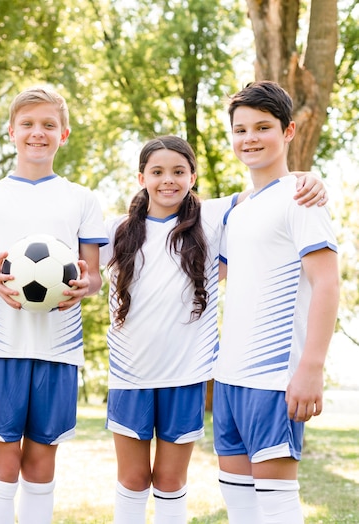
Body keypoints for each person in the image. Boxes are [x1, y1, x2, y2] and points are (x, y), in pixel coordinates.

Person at [100, 135, 328, 524]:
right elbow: (71, 262)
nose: (167, 180)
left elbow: (271, 187)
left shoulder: (212, 217)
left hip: (187, 376)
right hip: (129, 376)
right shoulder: (115, 230)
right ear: (141, 177)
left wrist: (311, 179)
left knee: (171, 481)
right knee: (133, 480)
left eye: (178, 171)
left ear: (192, 176)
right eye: (157, 172)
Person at [0, 85, 108, 524]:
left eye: (48, 125)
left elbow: (93, 275)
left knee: (41, 460)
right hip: (0, 347)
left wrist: (83, 286)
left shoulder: (82, 199)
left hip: (58, 348)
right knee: (2, 461)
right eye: (28, 125)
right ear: (11, 131)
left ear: (64, 134)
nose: (37, 133)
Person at [213, 81, 339, 524]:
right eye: (240, 129)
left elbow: (326, 282)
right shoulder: (237, 209)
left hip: (274, 379)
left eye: (262, 127)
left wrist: (311, 367)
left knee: (277, 508)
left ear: (287, 131)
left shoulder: (301, 197)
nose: (249, 138)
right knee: (241, 510)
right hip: (228, 380)